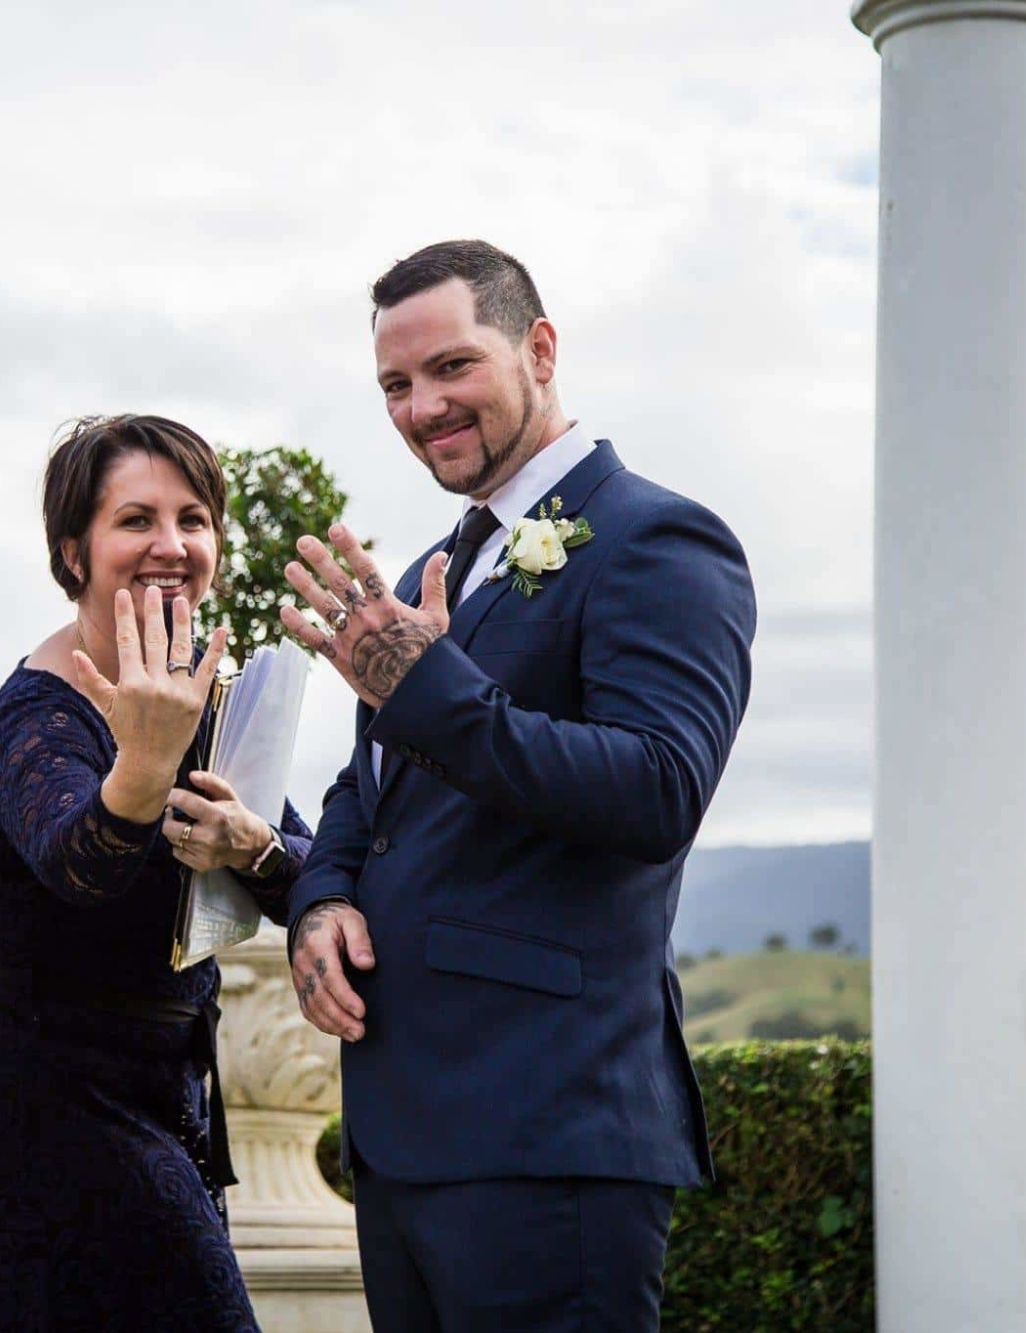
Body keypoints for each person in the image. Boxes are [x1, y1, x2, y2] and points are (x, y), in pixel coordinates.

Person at [279, 240, 757, 1332]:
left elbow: (657, 787)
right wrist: (322, 899)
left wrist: (429, 686)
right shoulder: (427, 575)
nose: (421, 407)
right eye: (395, 385)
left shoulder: (658, 539)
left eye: (451, 367)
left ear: (538, 349)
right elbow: (369, 789)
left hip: (548, 1127)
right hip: (404, 1131)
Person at [0, 413, 313, 1331]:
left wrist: (251, 842)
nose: (171, 545)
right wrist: (144, 762)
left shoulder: (203, 687)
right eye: (135, 519)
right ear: (75, 551)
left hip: (166, 1095)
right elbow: (80, 866)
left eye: (193, 519)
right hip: (45, 1101)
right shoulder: (36, 716)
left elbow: (308, 871)